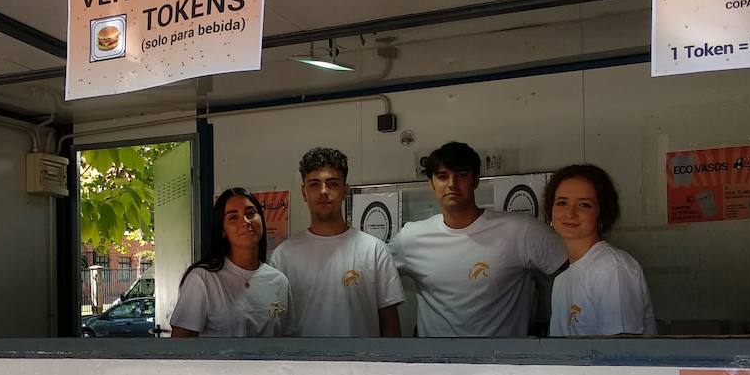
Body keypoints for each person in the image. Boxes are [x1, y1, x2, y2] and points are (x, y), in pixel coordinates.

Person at [389, 141, 566, 337]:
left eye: (462, 175)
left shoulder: (520, 230)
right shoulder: (411, 238)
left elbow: (577, 270)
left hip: (503, 364)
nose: (452, 184)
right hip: (437, 364)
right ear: (431, 183)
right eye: (442, 176)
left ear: (475, 180)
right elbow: (374, 279)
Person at [270, 147, 404, 338]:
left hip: (362, 365)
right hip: (301, 366)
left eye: (332, 183)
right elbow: (277, 324)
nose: (323, 191)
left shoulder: (374, 251)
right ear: (304, 192)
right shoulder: (283, 256)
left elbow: (390, 325)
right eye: (314, 184)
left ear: (345, 191)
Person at [546, 163, 656, 336]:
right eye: (562, 202)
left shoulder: (610, 267)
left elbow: (623, 351)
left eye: (584, 205)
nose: (570, 213)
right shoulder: (562, 280)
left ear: (602, 214)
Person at [169, 187, 294, 337]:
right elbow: (180, 346)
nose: (246, 222)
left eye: (250, 213)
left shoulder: (279, 281)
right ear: (222, 230)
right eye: (233, 217)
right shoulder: (202, 279)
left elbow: (287, 343)